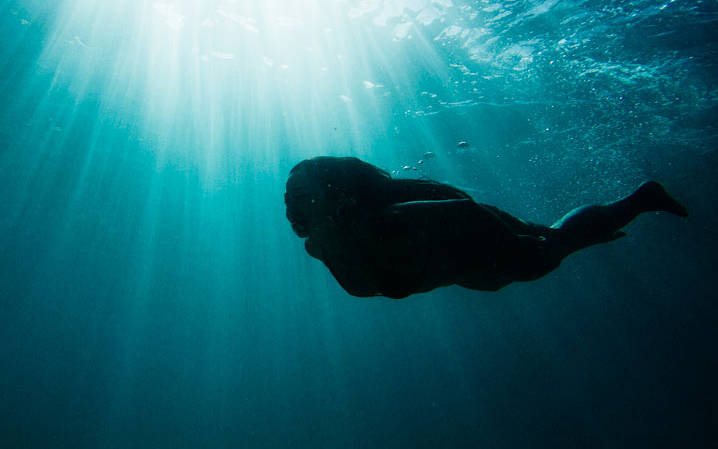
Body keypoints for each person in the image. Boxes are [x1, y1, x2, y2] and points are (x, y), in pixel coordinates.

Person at [284, 156, 689, 299]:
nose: (290, 203)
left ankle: (641, 198)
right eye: (289, 195)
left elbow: (465, 211)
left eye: (301, 194)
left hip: (465, 225)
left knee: (541, 254)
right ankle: (585, 233)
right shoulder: (318, 246)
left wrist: (516, 246)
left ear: (337, 195)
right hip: (454, 261)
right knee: (505, 274)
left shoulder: (390, 223)